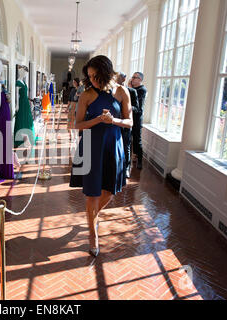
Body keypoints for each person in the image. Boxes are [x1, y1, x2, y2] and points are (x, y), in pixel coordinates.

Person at [70, 56, 133, 257]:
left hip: (113, 146)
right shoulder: (86, 95)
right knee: (92, 193)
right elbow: (77, 124)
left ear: (106, 73)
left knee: (110, 190)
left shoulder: (122, 92)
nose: (93, 80)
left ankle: (92, 217)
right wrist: (98, 119)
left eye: (96, 76)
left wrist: (113, 120)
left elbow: (130, 122)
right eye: (90, 76)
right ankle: (92, 234)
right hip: (90, 146)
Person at [116, 72, 139, 178]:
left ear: (124, 79)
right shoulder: (112, 91)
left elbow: (138, 109)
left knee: (126, 146)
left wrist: (126, 107)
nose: (115, 79)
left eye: (118, 78)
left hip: (125, 123)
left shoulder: (132, 91)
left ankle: (126, 168)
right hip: (114, 123)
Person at [129, 72, 147, 169]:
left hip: (136, 119)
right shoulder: (132, 89)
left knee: (137, 140)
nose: (132, 79)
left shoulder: (142, 90)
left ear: (140, 79)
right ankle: (132, 158)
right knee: (129, 140)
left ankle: (140, 161)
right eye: (132, 77)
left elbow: (138, 107)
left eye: (135, 77)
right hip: (130, 117)